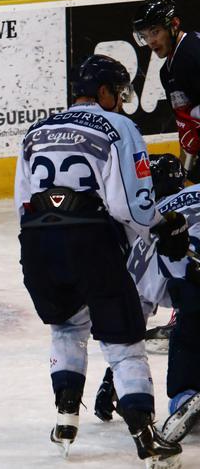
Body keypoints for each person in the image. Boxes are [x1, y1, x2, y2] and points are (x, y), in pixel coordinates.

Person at [14, 54, 186, 467]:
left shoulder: (35, 131)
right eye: (118, 92)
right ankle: (146, 440)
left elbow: (21, 202)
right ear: (105, 91)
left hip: (36, 240)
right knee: (123, 343)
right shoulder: (120, 127)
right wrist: (163, 225)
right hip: (89, 238)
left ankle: (66, 419)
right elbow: (132, 206)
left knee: (66, 327)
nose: (122, 101)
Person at [96, 154, 200, 444]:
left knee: (188, 337)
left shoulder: (144, 239)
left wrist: (111, 379)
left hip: (192, 294)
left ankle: (186, 395)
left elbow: (130, 325)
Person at [132, 0, 200, 351]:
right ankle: (187, 310)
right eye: (145, 35)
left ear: (173, 25)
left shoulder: (192, 53)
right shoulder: (168, 67)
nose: (151, 41)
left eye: (155, 31)